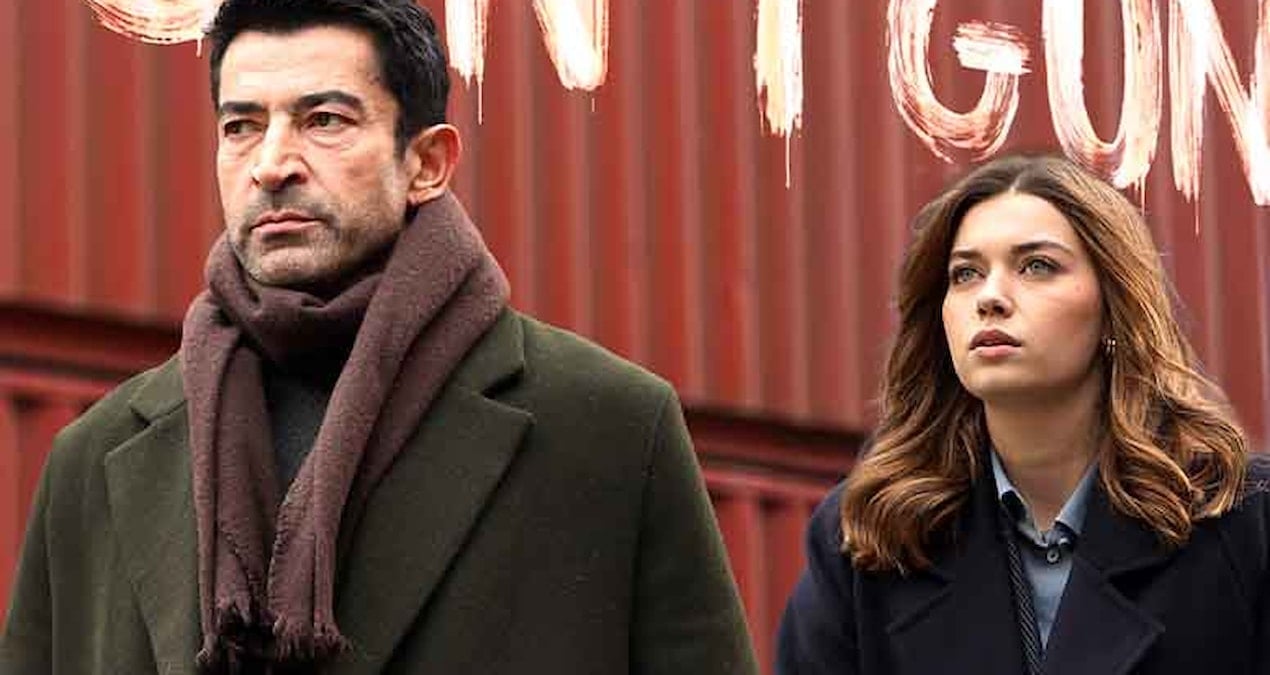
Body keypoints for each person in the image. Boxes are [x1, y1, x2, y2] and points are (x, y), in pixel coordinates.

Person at [0, 0, 757, 673]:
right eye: (241, 126)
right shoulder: (93, 457)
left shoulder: (609, 429)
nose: (271, 165)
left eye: (324, 120)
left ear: (427, 163)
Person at [776, 154, 1270, 675]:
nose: (989, 297)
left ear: (1114, 306)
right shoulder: (870, 533)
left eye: (1037, 266)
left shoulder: (1243, 521)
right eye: (966, 274)